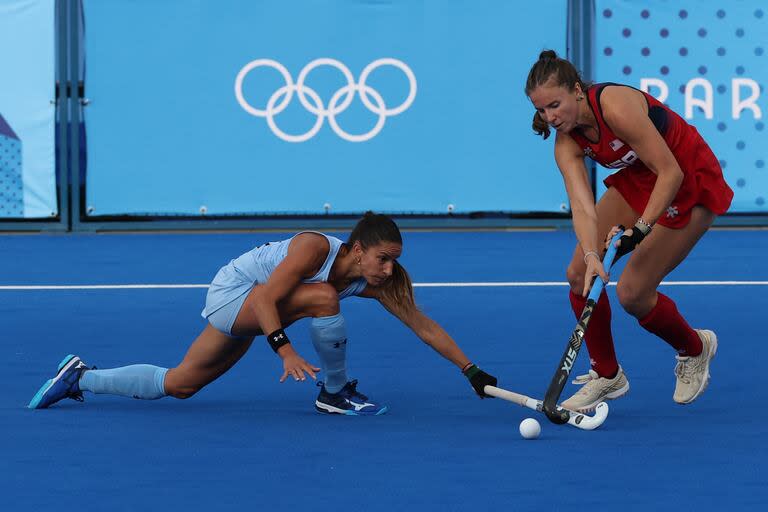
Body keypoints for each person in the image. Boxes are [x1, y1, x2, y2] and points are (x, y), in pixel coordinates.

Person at [28, 212, 498, 415]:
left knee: (182, 384)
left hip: (257, 309)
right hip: (235, 296)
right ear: (357, 249)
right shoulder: (314, 249)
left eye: (394, 258)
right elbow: (265, 300)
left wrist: (470, 369)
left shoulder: (376, 279)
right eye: (383, 258)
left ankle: (82, 377)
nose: (389, 267)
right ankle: (333, 395)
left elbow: (422, 323)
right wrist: (285, 351)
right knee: (322, 300)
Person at [525, 50, 733, 412]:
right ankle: (607, 375)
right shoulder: (565, 143)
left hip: (687, 178)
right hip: (638, 181)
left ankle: (695, 348)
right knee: (578, 275)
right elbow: (582, 207)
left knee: (634, 294)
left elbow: (671, 171)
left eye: (555, 105)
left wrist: (641, 228)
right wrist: (592, 255)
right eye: (542, 111)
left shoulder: (615, 107)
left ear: (577, 89)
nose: (550, 117)